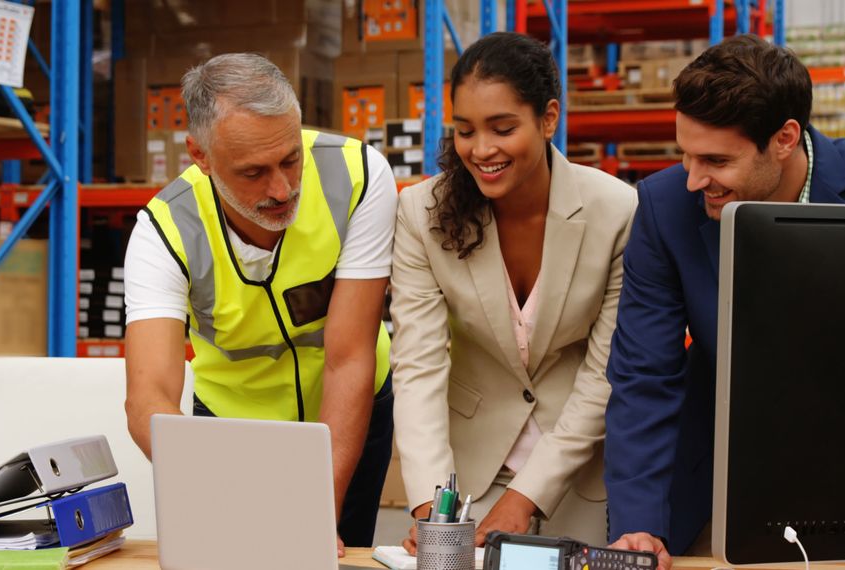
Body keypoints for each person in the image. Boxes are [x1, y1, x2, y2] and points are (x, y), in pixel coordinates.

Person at [604, 34, 845, 563]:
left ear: (784, 138)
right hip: (723, 489)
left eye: (715, 160)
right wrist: (639, 526)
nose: (693, 180)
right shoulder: (664, 206)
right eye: (684, 155)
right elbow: (644, 377)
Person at [122, 53, 398, 555]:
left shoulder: (360, 176)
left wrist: (314, 515)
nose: (283, 188)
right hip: (231, 434)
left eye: (291, 159)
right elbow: (149, 398)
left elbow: (349, 358)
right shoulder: (162, 231)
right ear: (200, 156)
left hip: (349, 412)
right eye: (253, 172)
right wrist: (218, 497)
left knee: (330, 555)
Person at [390, 32, 639, 555]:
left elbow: (604, 375)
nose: (481, 150)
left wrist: (527, 495)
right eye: (464, 131)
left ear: (549, 119)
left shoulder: (617, 212)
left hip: (577, 480)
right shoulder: (422, 214)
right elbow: (418, 365)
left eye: (502, 128)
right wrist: (431, 509)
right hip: (464, 485)